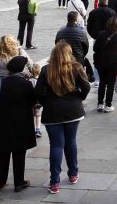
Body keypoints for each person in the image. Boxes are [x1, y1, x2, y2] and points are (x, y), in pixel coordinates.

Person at [35, 41, 90, 194]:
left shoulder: (47, 70)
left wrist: (46, 101)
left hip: (53, 112)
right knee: (71, 141)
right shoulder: (76, 67)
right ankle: (73, 174)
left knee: (56, 145)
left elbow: (38, 92)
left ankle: (54, 182)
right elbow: (86, 87)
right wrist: (79, 97)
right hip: (73, 110)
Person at [0, 55, 36, 193]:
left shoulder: (1, 82)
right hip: (20, 124)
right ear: (21, 69)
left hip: (1, 123)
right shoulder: (25, 84)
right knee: (19, 154)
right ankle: (18, 182)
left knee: (2, 154)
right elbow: (33, 101)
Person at [93, 15, 117, 111]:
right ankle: (108, 105)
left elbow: (95, 48)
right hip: (113, 62)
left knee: (102, 82)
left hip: (100, 62)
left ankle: (100, 103)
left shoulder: (100, 34)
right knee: (111, 83)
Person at [55, 11, 91, 82]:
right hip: (78, 60)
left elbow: (57, 45)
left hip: (63, 60)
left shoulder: (60, 32)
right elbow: (86, 47)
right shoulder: (81, 32)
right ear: (76, 20)